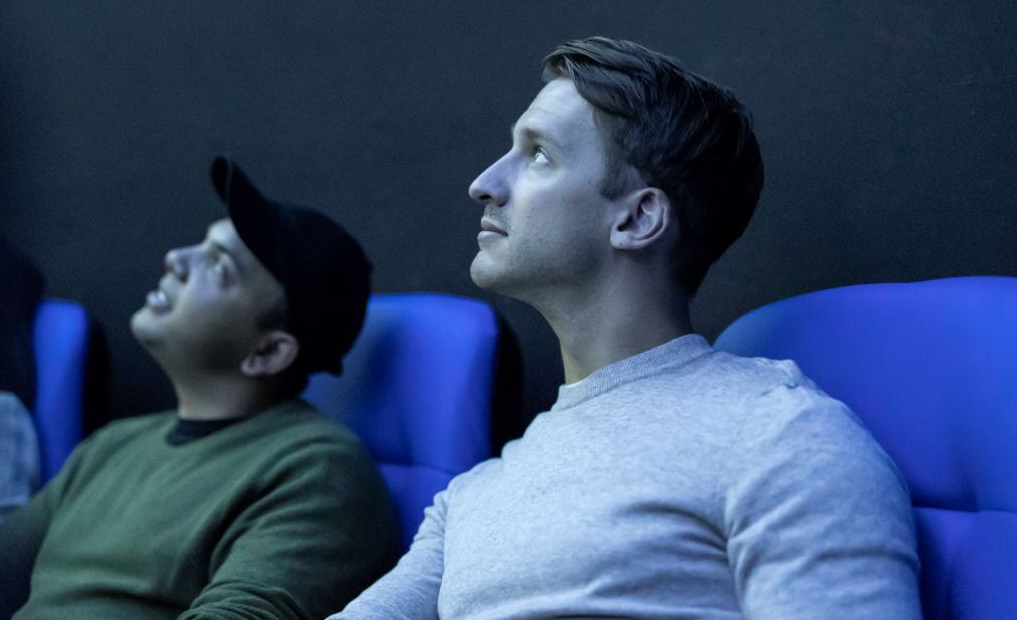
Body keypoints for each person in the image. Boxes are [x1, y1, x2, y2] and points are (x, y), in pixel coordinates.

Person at [332, 38, 922, 619]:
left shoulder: (781, 438)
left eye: (538, 155)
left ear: (638, 218)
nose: (484, 183)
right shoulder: (474, 494)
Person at [0, 156, 401, 619]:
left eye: (219, 267)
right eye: (201, 244)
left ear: (269, 353)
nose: (176, 259)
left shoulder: (317, 470)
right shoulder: (111, 446)